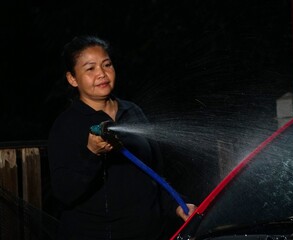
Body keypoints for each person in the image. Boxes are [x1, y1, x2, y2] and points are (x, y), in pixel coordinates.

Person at [48, 35, 197, 240]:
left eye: (107, 64)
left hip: (149, 233)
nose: (102, 73)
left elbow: (155, 173)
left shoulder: (132, 111)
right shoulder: (67, 125)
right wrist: (91, 154)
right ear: (72, 78)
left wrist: (177, 205)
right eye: (90, 68)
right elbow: (64, 192)